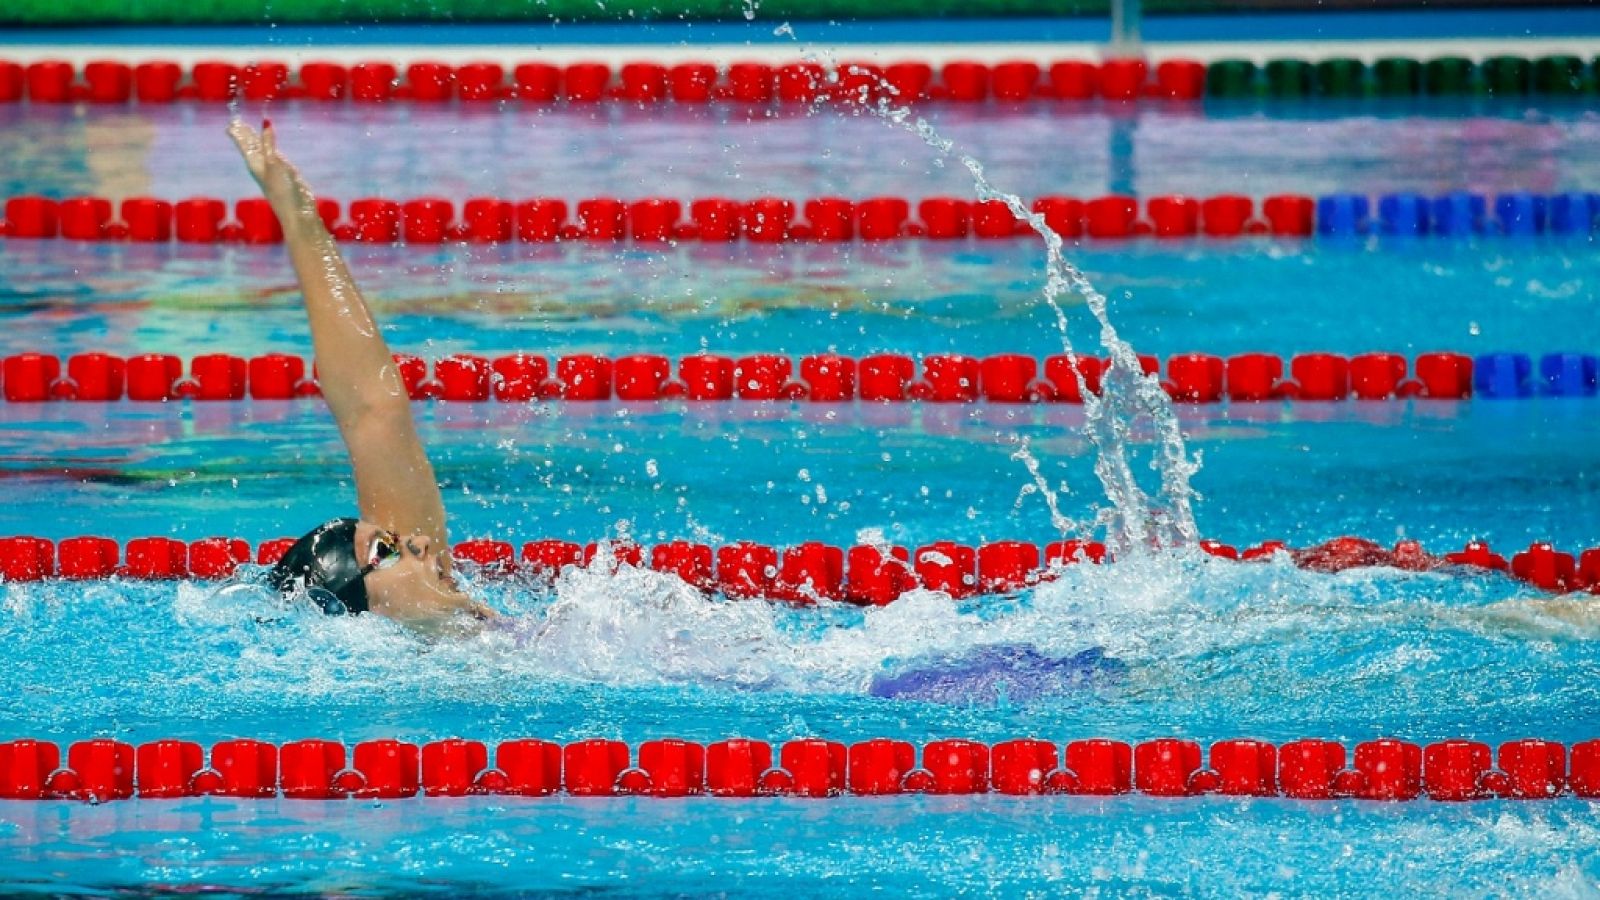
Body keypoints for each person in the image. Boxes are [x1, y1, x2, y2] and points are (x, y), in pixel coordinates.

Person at [229, 119, 493, 629]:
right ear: (361, 610)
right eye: (389, 550)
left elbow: (373, 407)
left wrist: (298, 212)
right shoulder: (423, 665)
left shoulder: (459, 634)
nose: (417, 540)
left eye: (391, 544)